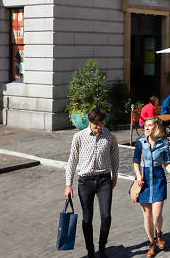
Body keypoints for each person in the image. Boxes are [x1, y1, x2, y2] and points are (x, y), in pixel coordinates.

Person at [65, 107, 119, 258]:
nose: (99, 127)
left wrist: (114, 177)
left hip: (104, 180)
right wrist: (68, 184)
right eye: (96, 124)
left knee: (106, 215)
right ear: (90, 121)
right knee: (87, 218)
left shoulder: (109, 136)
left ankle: (102, 247)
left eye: (102, 123)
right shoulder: (79, 137)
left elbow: (115, 158)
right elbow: (72, 162)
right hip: (85, 181)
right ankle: (90, 250)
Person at [133, 117, 170, 257]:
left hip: (158, 179)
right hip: (143, 181)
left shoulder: (163, 143)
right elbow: (135, 162)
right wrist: (138, 175)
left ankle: (159, 233)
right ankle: (151, 243)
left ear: (156, 127)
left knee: (156, 214)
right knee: (147, 215)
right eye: (145, 126)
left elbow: (167, 163)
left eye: (149, 125)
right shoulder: (140, 143)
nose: (146, 128)